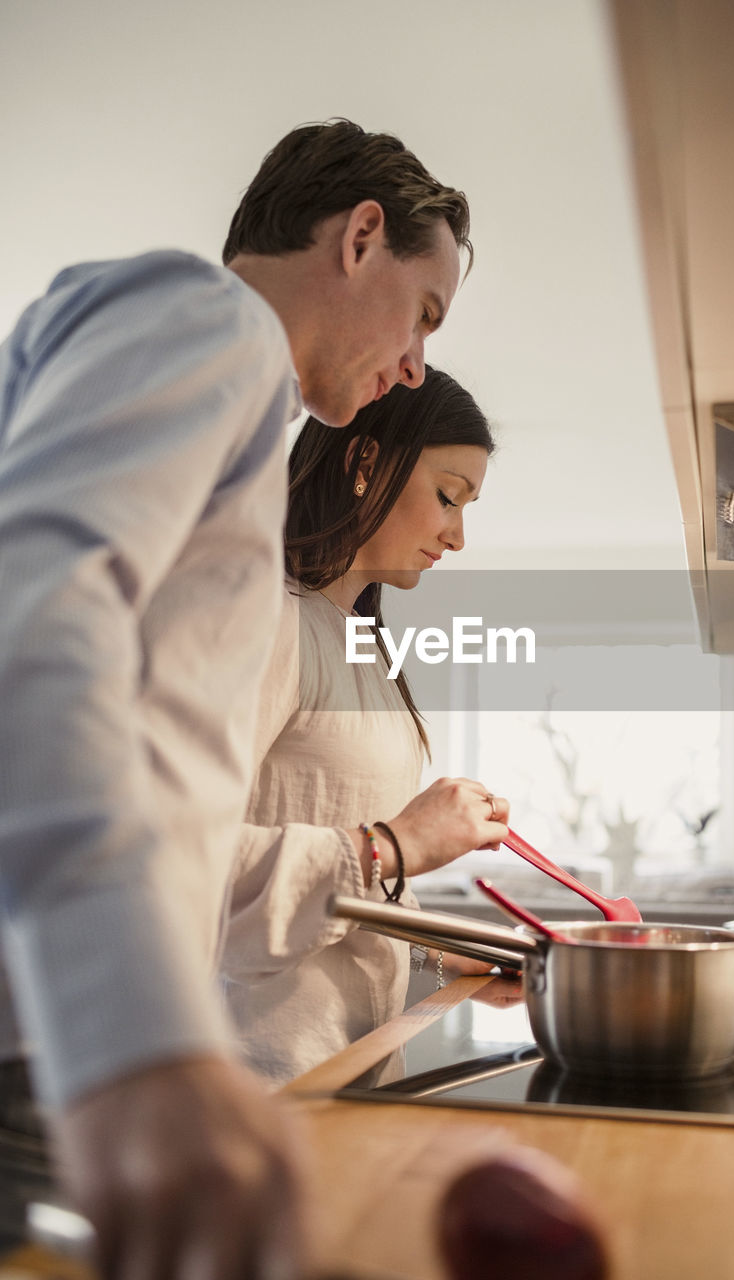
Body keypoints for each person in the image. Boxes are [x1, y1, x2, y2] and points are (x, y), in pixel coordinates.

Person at [0, 119, 473, 1279]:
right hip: (54, 1051)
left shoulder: (233, 401)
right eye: (424, 311)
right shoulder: (202, 319)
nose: (415, 365)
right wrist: (134, 1045)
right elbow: (30, 620)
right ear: (361, 236)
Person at [220, 366, 509, 1084]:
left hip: (354, 1070)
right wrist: (400, 841)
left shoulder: (362, 644)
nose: (458, 534)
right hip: (260, 1088)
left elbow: (355, 900)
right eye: (448, 496)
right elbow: (188, 868)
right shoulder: (266, 618)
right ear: (364, 461)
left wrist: (440, 950)